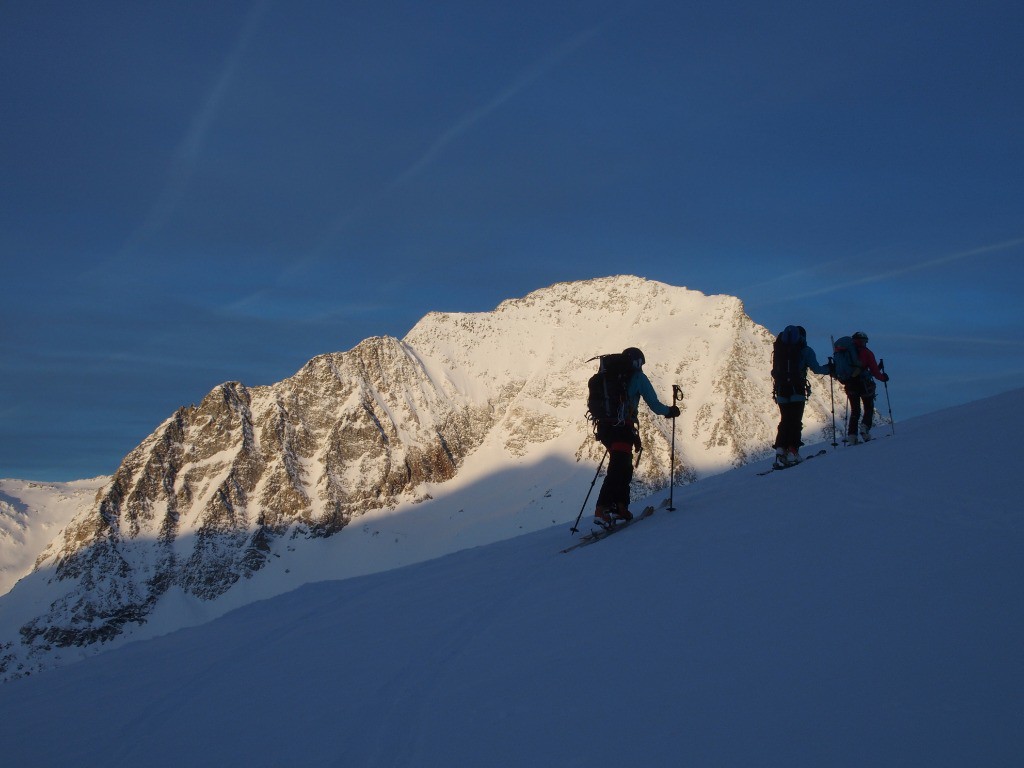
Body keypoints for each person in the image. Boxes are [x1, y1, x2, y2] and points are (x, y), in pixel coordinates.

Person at [594, 347, 679, 525]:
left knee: (622, 466)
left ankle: (619, 506)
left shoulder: (608, 378)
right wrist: (670, 411)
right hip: (622, 428)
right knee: (619, 469)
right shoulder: (638, 378)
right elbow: (654, 405)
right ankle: (604, 508)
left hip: (604, 428)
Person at [772, 325, 831, 467]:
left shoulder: (779, 350)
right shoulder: (805, 350)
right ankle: (793, 451)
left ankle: (781, 449)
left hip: (781, 391)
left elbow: (774, 372)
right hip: (797, 391)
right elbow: (816, 369)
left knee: (785, 420)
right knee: (795, 421)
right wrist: (830, 369)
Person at [844, 331, 889, 443]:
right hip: (864, 385)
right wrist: (883, 377)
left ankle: (852, 436)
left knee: (855, 410)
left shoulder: (846, 353)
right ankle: (864, 428)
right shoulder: (867, 353)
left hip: (850, 385)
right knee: (868, 408)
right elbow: (874, 371)